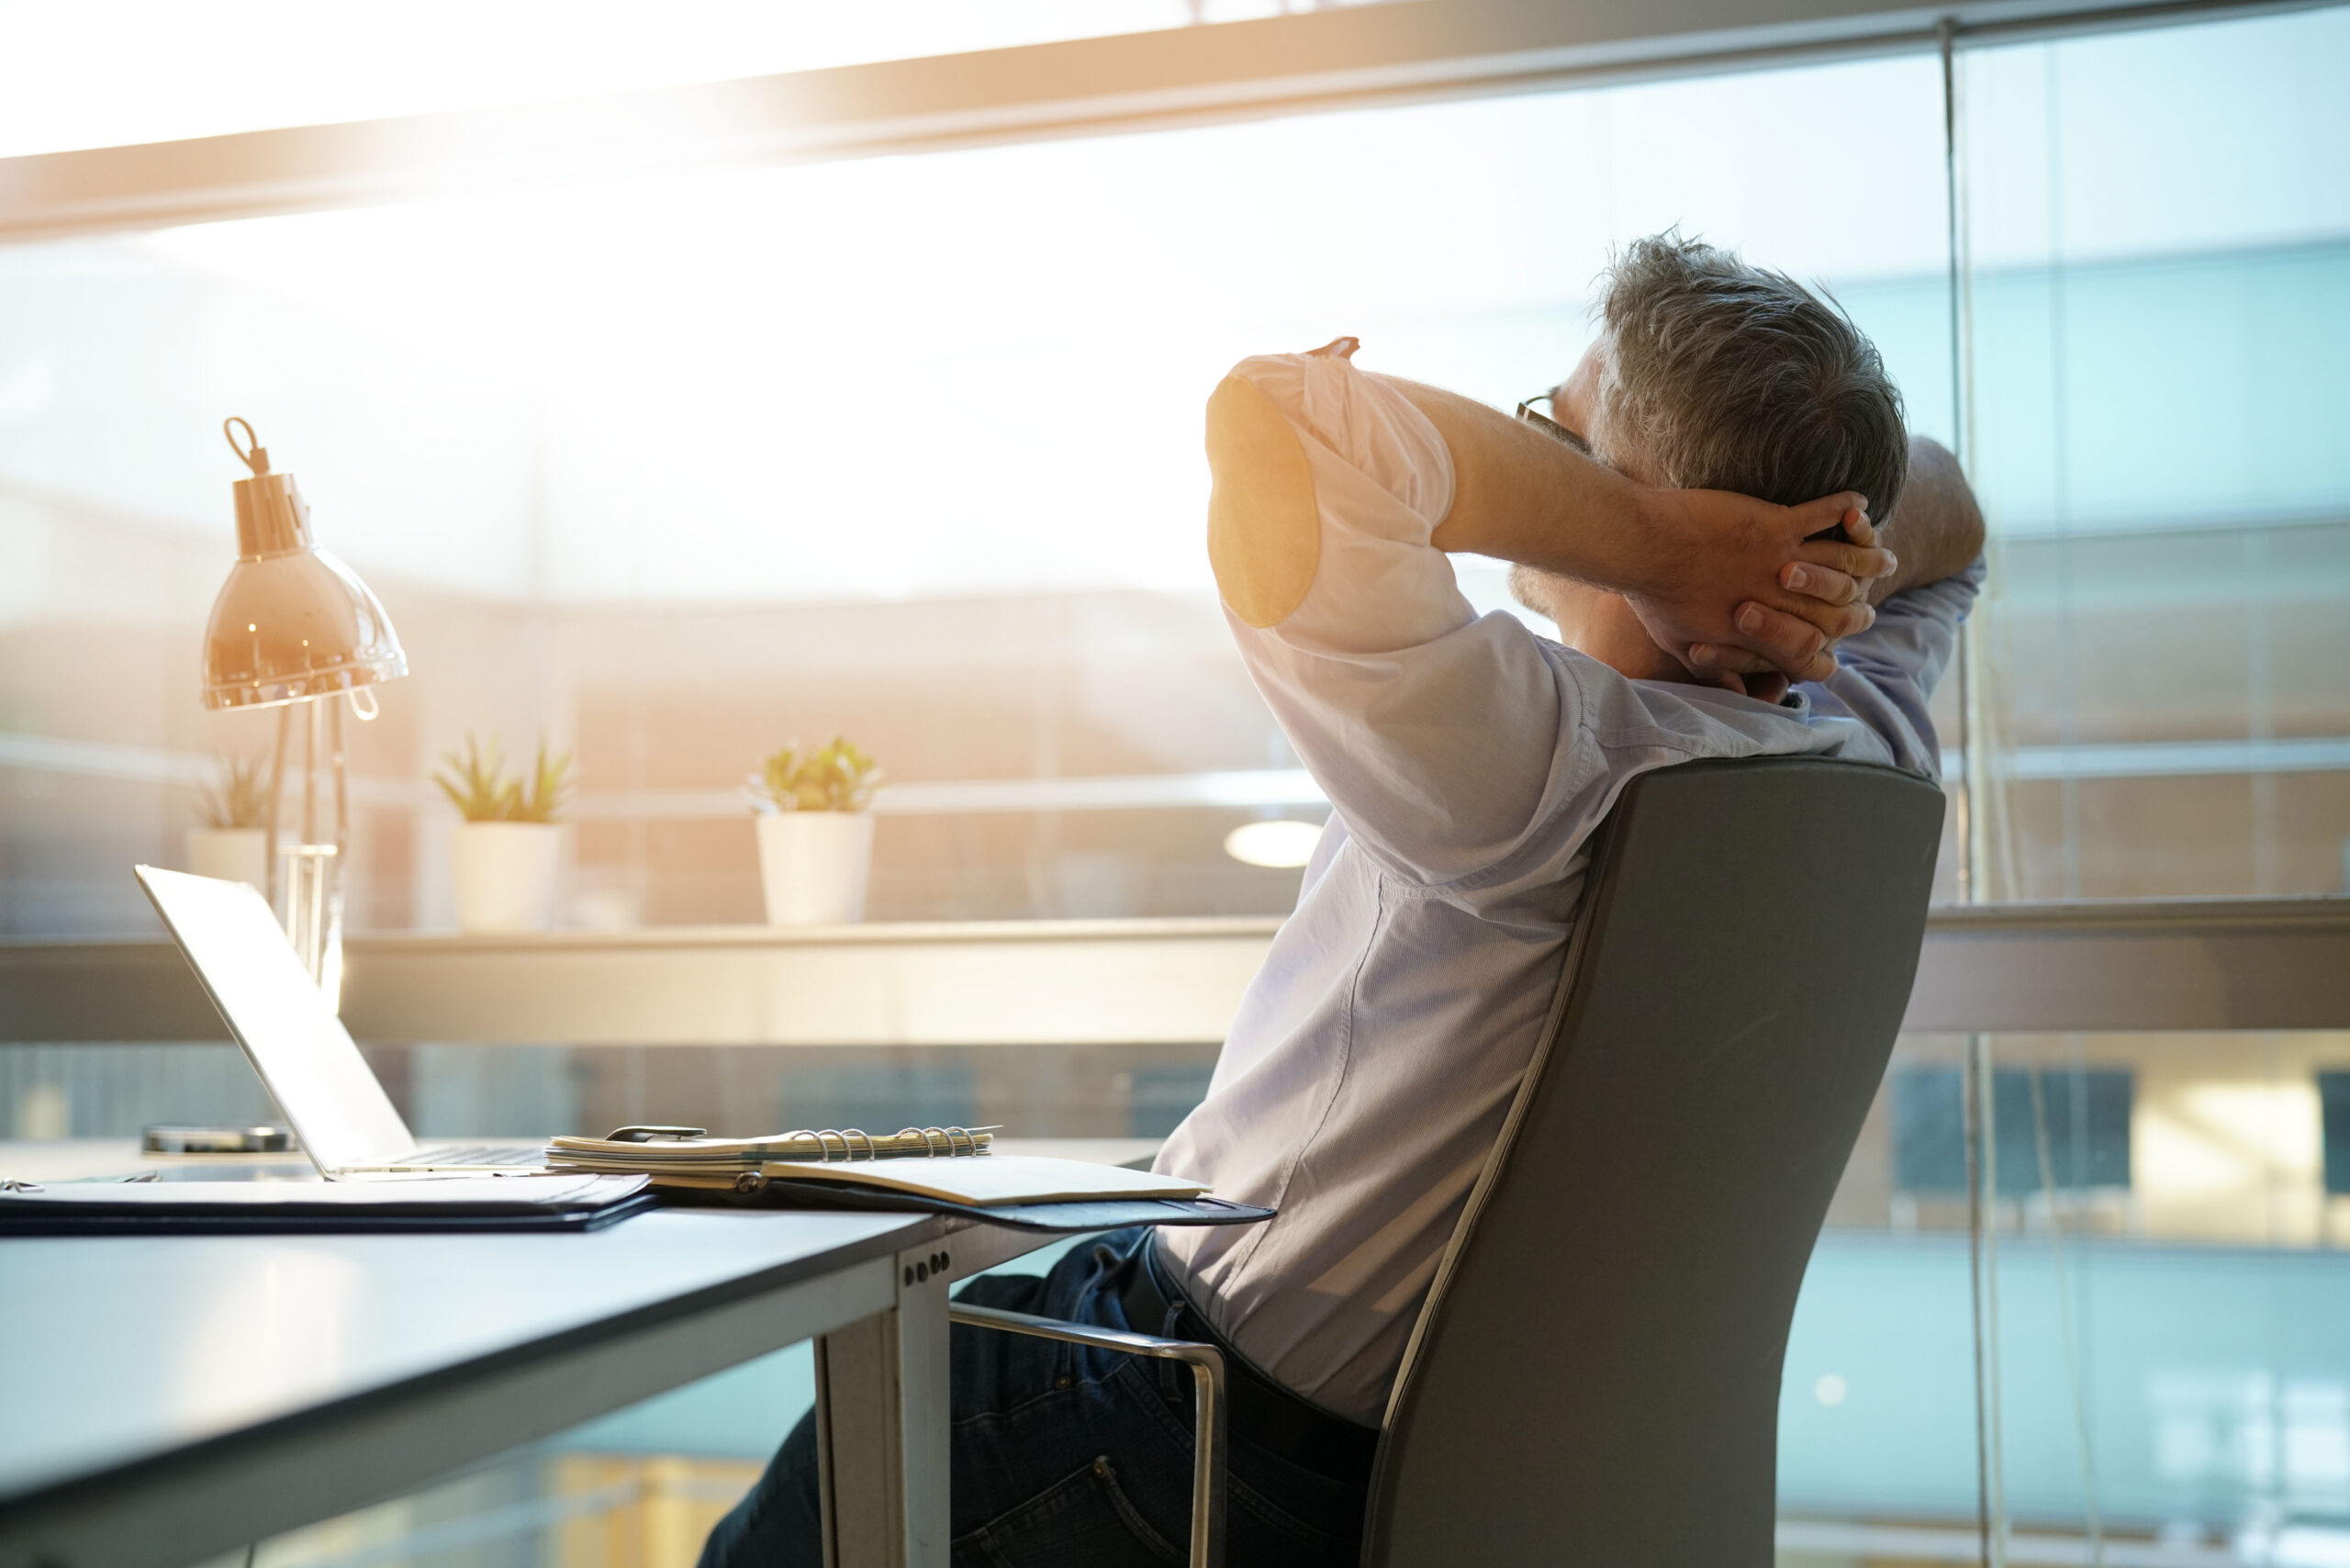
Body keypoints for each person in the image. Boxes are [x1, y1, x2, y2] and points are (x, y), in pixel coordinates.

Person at [699, 233, 1987, 1568]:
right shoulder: (1859, 746)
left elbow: (1277, 424)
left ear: (1644, 504)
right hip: (1471, 1488)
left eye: (1558, 436)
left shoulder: (1537, 763)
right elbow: (1957, 518)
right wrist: (1809, 558)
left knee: (821, 1480)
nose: (1533, 456)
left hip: (1200, 1435)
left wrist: (1658, 542)